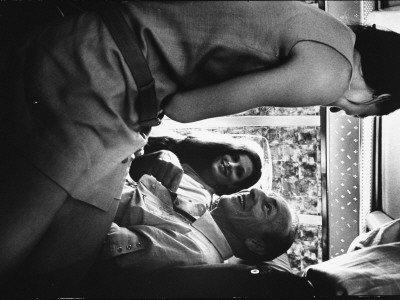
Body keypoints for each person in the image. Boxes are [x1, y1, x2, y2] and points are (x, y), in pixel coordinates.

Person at [1, 0, 399, 289]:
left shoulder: (330, 28)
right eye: (364, 114)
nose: (346, 114)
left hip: (107, 62)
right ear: (381, 99)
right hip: (106, 75)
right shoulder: (332, 72)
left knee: (65, 260)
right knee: (17, 250)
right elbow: (186, 108)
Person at [129, 134, 264, 215]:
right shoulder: (186, 152)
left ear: (233, 185)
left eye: (239, 172)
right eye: (234, 157)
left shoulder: (198, 201)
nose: (231, 165)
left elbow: (137, 200)